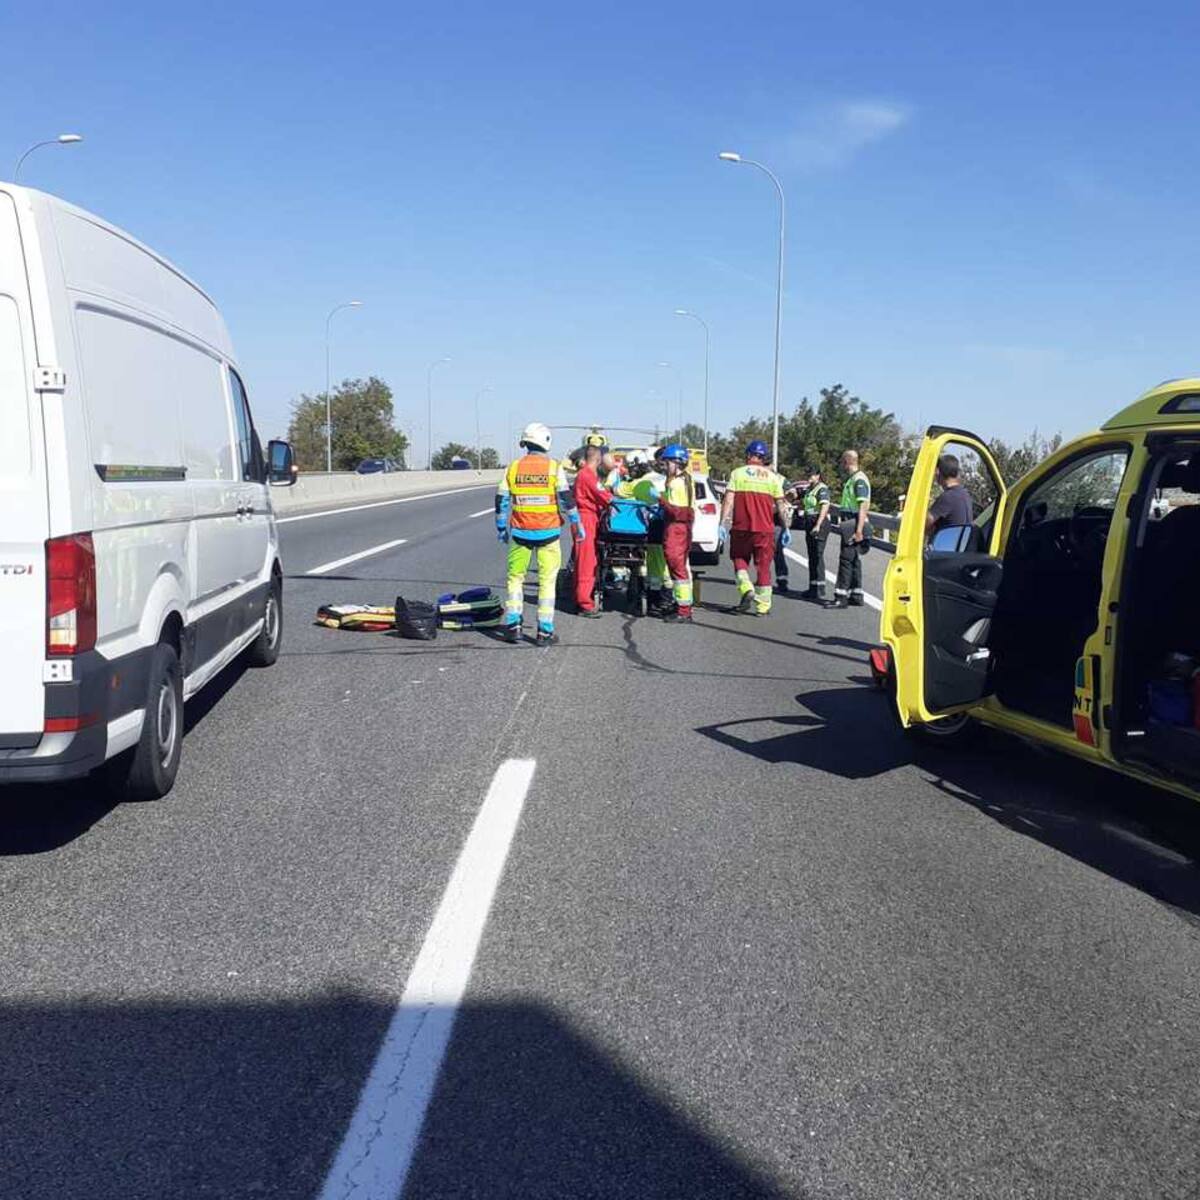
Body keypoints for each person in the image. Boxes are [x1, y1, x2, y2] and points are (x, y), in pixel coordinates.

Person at [495, 422, 583, 646]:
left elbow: (501, 500)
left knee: (515, 578)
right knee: (547, 582)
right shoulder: (554, 468)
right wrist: (576, 524)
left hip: (520, 533)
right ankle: (544, 631)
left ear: (525, 443)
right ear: (546, 442)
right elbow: (566, 499)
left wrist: (501, 527)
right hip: (549, 534)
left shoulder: (513, 467)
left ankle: (513, 625)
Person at [719, 439, 791, 616]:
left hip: (741, 528)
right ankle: (763, 606)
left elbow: (728, 500)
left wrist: (721, 523)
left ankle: (746, 587)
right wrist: (786, 527)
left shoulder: (737, 474)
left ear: (749, 455)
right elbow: (781, 505)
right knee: (764, 567)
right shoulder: (773, 478)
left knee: (739, 559)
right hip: (765, 530)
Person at [611, 452, 670, 612]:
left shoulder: (637, 483)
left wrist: (618, 476)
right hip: (668, 525)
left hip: (650, 527)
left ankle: (654, 597)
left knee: (653, 562)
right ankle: (667, 598)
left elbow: (616, 490)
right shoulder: (663, 479)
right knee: (664, 563)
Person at [825, 449, 872, 609]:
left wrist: (858, 530)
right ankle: (856, 594)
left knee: (845, 559)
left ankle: (841, 596)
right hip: (851, 521)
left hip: (853, 522)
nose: (841, 465)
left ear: (847, 461)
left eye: (842, 461)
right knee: (853, 559)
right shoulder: (854, 478)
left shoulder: (858, 480)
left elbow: (863, 505)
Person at [658, 443, 695, 623]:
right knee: (677, 568)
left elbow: (677, 512)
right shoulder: (687, 479)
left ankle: (684, 610)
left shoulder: (676, 484)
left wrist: (659, 500)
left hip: (677, 529)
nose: (665, 467)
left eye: (668, 463)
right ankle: (682, 605)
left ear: (677, 462)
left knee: (678, 569)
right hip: (683, 529)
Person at [572, 441, 611, 618]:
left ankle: (579, 597)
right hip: (586, 519)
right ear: (597, 458)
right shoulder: (588, 476)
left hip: (585, 518)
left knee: (583, 560)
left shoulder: (584, 474)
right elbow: (604, 497)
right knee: (587, 563)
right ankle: (585, 603)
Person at [800, 466, 832, 601]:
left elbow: (824, 507)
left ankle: (820, 588)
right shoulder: (809, 489)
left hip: (819, 522)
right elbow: (805, 504)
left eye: (812, 474)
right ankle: (813, 586)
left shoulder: (822, 489)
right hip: (809, 521)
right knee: (812, 555)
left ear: (818, 475)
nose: (809, 477)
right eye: (808, 474)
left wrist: (818, 524)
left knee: (818, 555)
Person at [925, 454, 974, 538]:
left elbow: (924, 524)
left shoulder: (948, 497)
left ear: (938, 473)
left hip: (944, 548)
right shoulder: (965, 494)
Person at [772, 482, 799, 595]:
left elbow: (779, 513)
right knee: (776, 554)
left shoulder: (785, 504)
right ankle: (781, 579)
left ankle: (782, 580)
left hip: (778, 527)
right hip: (779, 527)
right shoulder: (785, 502)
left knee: (777, 553)